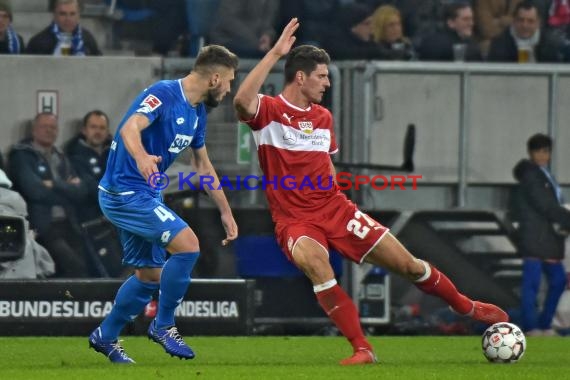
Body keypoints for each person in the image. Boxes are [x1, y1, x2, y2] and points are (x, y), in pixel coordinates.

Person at [233, 18, 509, 366]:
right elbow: (241, 102)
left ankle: (465, 305)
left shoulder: (323, 118)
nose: (327, 82)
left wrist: (334, 183)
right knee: (319, 267)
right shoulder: (270, 110)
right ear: (300, 77)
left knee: (408, 265)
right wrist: (274, 53)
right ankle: (362, 348)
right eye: (322, 76)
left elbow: (326, 164)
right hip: (295, 220)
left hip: (336, 210)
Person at [88, 44, 239, 363]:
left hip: (146, 194)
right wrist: (142, 157)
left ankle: (106, 335)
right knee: (188, 246)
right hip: (124, 192)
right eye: (229, 81)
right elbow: (130, 127)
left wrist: (225, 210)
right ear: (214, 78)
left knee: (149, 277)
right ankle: (164, 325)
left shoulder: (197, 112)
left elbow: (203, 167)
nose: (229, 89)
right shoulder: (164, 93)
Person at [8, 112, 90, 278]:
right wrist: (67, 189)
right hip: (43, 226)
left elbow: (80, 192)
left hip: (69, 224)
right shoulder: (22, 155)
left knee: (87, 267)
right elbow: (34, 191)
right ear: (34, 130)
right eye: (44, 127)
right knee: (75, 267)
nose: (49, 131)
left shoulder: (61, 156)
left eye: (53, 127)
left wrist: (54, 185)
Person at [511, 133, 570, 336]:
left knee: (558, 280)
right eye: (539, 151)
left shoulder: (544, 174)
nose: (543, 155)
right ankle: (532, 327)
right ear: (531, 153)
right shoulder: (532, 176)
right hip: (535, 237)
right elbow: (546, 206)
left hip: (548, 238)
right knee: (532, 283)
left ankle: (543, 324)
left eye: (546, 151)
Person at [64, 110, 112, 223]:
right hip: (90, 220)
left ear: (107, 131)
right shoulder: (74, 155)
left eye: (102, 128)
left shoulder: (116, 153)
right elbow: (88, 187)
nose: (98, 132)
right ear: (84, 130)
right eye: (93, 127)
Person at [487, 1, 561, 63]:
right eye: (521, 20)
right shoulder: (499, 44)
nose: (525, 25)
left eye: (530, 21)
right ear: (514, 21)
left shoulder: (550, 44)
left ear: (538, 23)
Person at [26, 0, 101, 56]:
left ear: (79, 15)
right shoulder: (38, 42)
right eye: (63, 14)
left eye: (72, 14)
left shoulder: (88, 39)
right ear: (54, 15)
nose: (68, 19)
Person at [208, 0, 279, 58]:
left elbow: (269, 22)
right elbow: (228, 20)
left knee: (282, 57)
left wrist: (267, 35)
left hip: (256, 44)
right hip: (228, 40)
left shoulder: (273, 2)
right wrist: (256, 42)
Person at [418, 3, 482, 61]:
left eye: (472, 19)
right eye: (465, 19)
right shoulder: (436, 44)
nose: (471, 23)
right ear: (451, 23)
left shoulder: (471, 44)